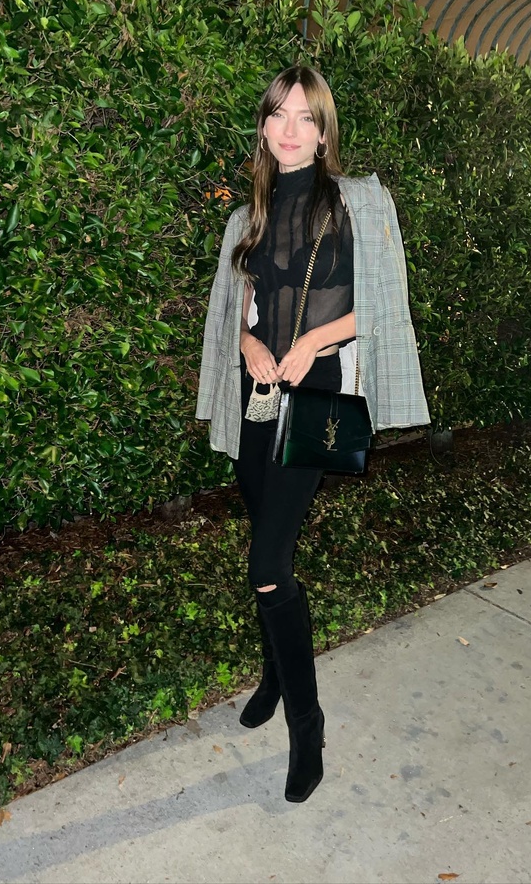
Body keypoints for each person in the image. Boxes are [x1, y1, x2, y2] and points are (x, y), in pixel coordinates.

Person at [196, 65, 430, 803]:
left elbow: (382, 307)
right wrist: (247, 343)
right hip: (256, 396)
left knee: (268, 562)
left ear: (325, 132)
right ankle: (273, 676)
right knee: (265, 548)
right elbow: (239, 307)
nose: (290, 129)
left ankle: (307, 725)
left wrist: (314, 340)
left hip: (317, 397)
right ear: (264, 127)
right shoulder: (247, 216)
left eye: (305, 117)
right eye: (278, 115)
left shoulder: (359, 202)